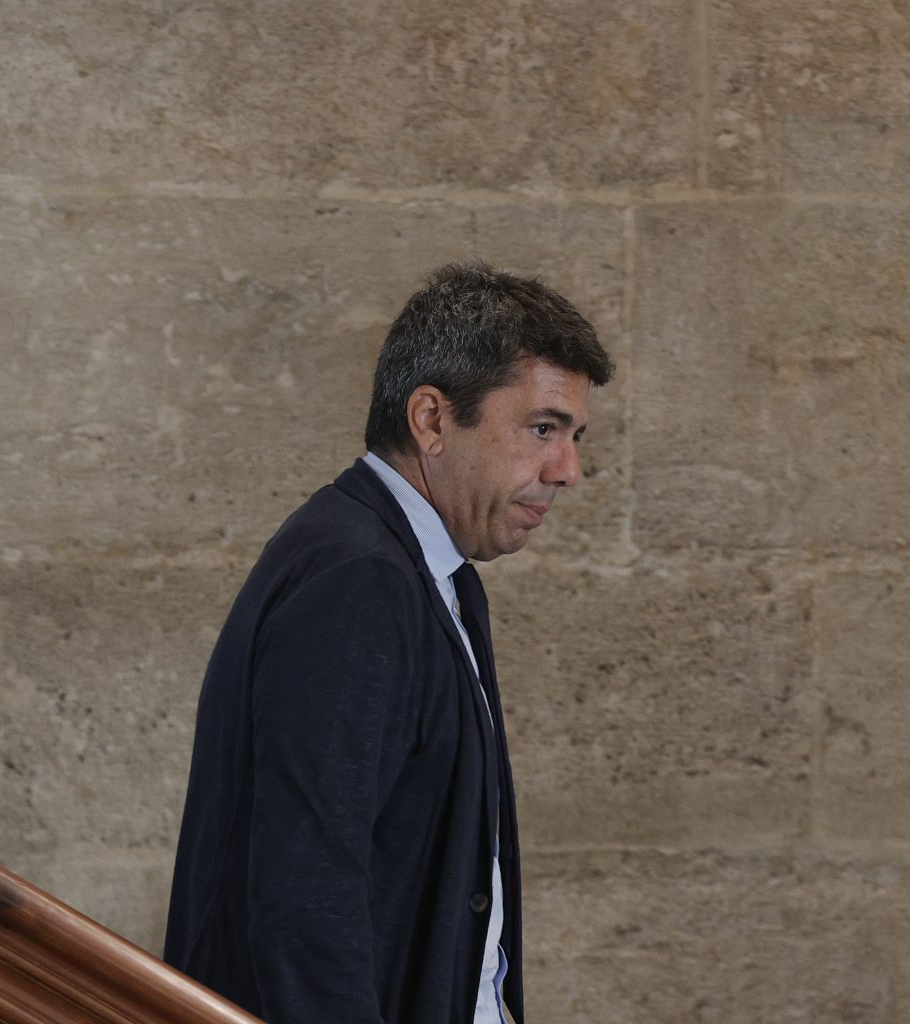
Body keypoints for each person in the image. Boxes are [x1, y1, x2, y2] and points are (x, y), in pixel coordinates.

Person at [163, 261, 614, 1024]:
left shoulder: (425, 570)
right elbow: (307, 894)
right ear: (431, 420)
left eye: (574, 437)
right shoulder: (359, 579)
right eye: (542, 429)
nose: (567, 470)